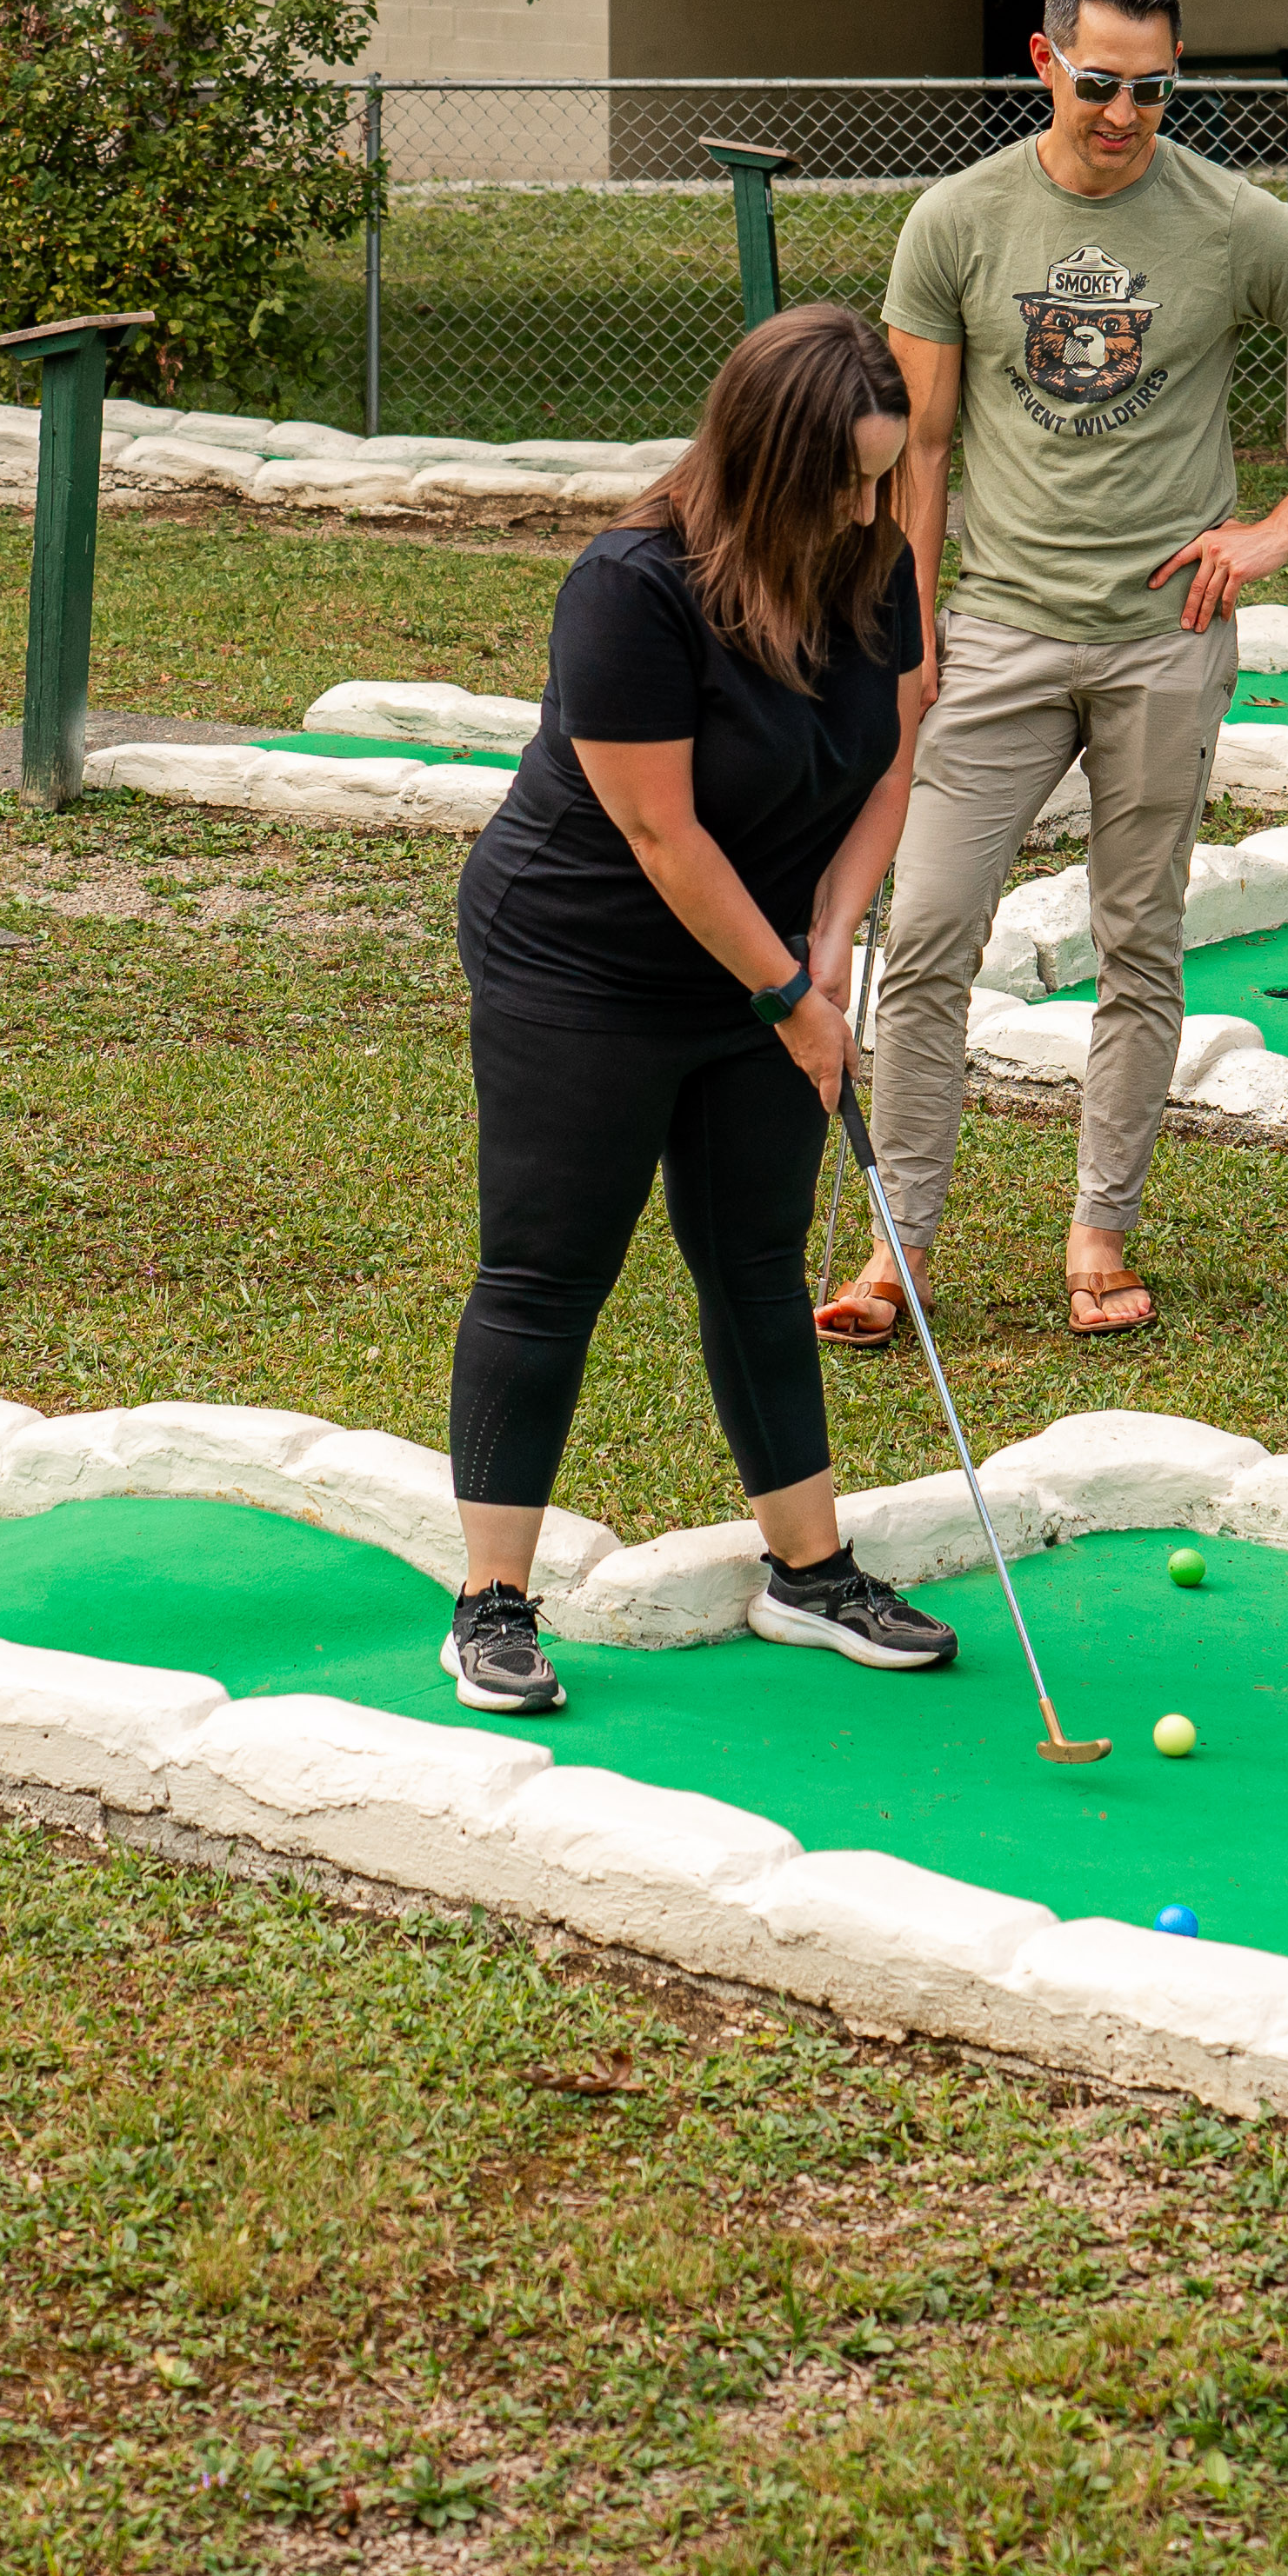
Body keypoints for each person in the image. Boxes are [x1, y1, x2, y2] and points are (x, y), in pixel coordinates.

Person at [818, 0, 1288, 1345]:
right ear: (1044, 61)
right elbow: (921, 455)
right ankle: (895, 1248)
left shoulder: (1231, 223)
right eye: (1100, 83)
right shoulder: (956, 223)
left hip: (1165, 641)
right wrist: (910, 635)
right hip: (1003, 635)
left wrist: (1271, 538)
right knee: (925, 936)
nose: (1124, 115)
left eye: (1154, 90)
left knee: (1137, 942)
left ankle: (1102, 1234)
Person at [434, 300, 961, 1721]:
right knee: (549, 1267)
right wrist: (788, 995)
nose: (870, 502)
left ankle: (809, 1569)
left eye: (884, 473)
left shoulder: (871, 556)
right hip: (583, 961)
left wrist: (831, 942)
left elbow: (889, 763)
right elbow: (663, 837)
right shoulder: (633, 586)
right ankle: (491, 1601)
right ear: (767, 458)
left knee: (756, 1253)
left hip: (771, 951)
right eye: (846, 475)